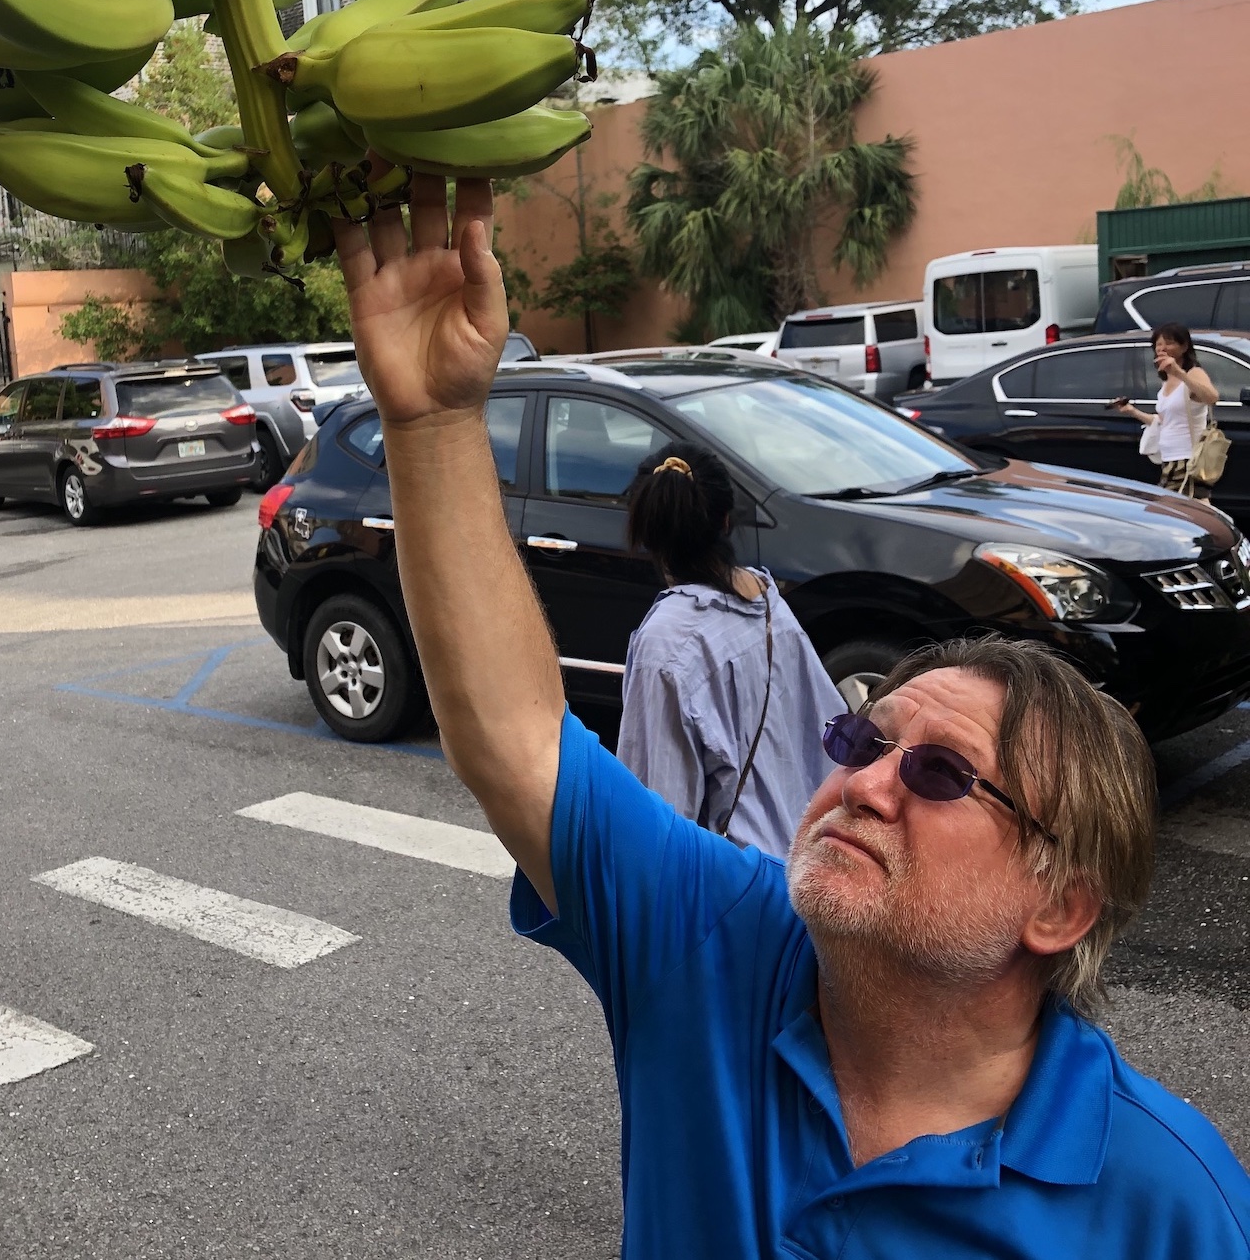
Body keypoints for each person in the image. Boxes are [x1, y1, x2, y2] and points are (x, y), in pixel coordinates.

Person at [330, 177, 1250, 1258]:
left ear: (1061, 904)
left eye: (942, 774)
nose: (864, 780)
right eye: (868, 739)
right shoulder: (714, 946)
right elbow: (518, 741)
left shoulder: (1168, 1202)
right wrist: (434, 421)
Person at [618, 440, 842, 854]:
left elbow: (657, 811)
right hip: (811, 858)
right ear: (725, 521)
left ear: (647, 533)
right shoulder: (766, 599)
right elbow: (825, 732)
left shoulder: (666, 642)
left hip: (739, 881)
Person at [1111, 322, 1219, 497]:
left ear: (1184, 347)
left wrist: (1180, 373)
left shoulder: (1193, 373)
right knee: (1181, 512)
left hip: (1188, 460)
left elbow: (1212, 398)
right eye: (1158, 345)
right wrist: (1132, 411)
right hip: (1169, 459)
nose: (1162, 348)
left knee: (1179, 511)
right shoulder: (1166, 382)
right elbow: (1163, 421)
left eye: (1169, 343)